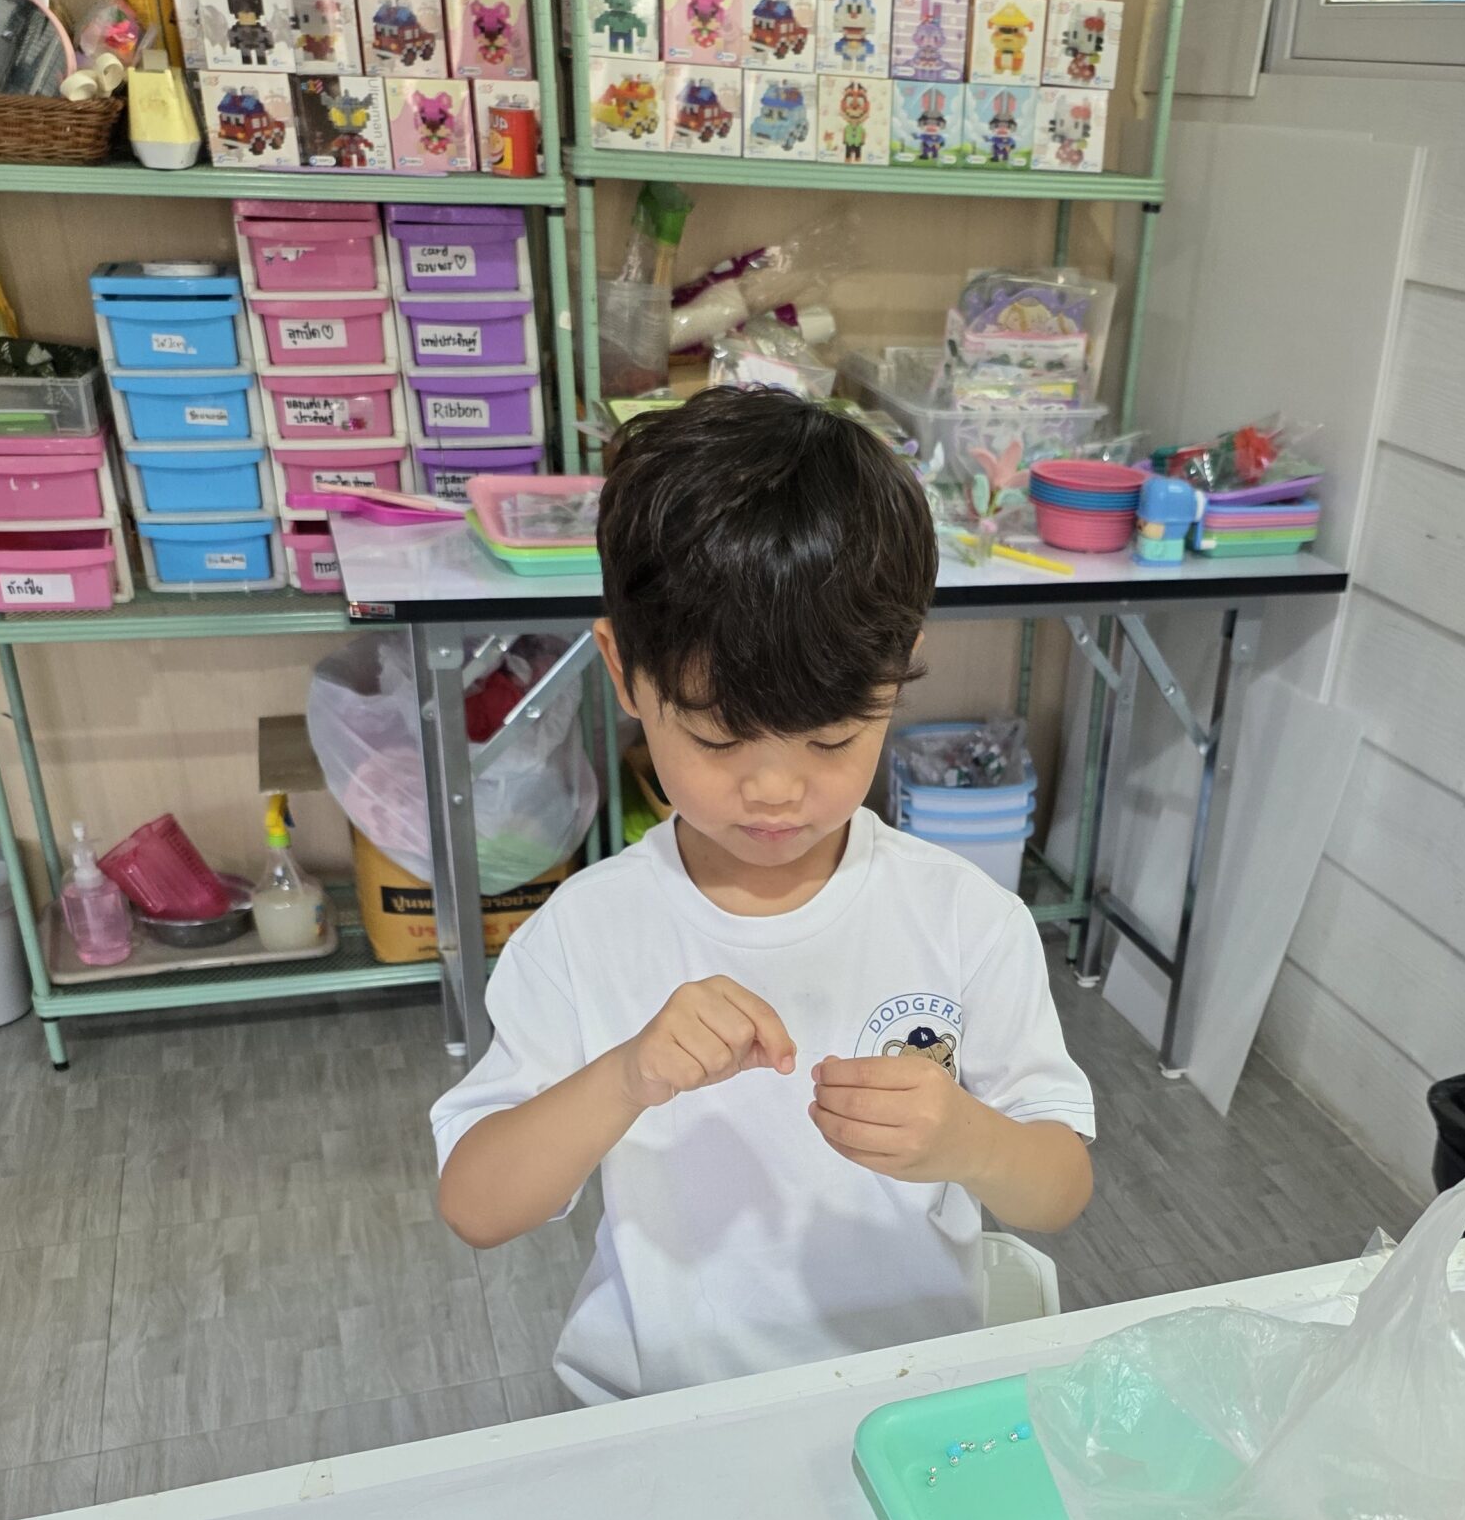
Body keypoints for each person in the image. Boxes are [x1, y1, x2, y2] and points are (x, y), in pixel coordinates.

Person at [433, 389, 1094, 1403]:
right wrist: (625, 1076)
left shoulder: (963, 917)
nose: (777, 789)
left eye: (832, 739)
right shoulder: (586, 933)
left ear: (897, 672)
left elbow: (1060, 1188)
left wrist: (971, 1140)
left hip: (912, 1397)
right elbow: (476, 1204)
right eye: (718, 737)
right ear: (623, 669)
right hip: (668, 1408)